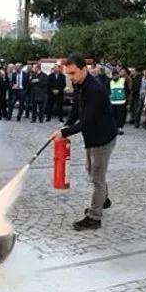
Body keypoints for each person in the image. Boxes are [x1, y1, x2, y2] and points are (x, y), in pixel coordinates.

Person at [51, 53, 117, 231]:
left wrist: (64, 132)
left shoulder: (95, 90)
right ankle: (104, 199)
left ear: (84, 70)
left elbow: (86, 121)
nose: (70, 77)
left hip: (103, 138)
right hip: (91, 137)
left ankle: (94, 217)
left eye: (73, 73)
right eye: (68, 74)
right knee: (92, 170)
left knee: (97, 177)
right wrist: (65, 127)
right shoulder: (79, 83)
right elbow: (76, 108)